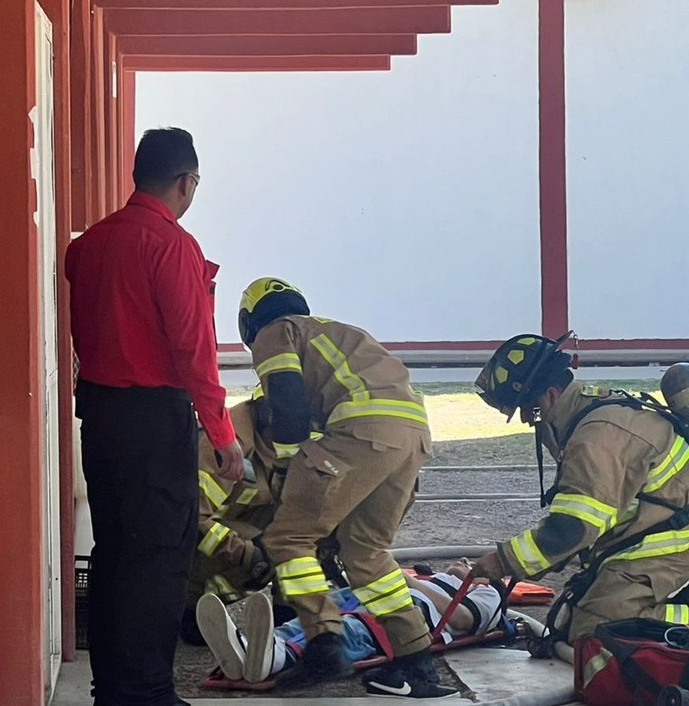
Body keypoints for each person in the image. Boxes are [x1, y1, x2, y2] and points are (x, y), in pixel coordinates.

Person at [66, 127, 242, 706]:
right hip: (153, 419)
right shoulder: (172, 246)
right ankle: (146, 693)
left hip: (101, 415)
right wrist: (223, 435)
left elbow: (82, 333)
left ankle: (113, 688)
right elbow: (195, 349)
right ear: (186, 182)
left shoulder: (88, 245)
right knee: (159, 556)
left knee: (114, 551)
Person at [237, 277, 454, 699]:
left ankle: (324, 644)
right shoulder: (337, 331)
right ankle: (415, 663)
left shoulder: (274, 333)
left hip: (361, 431)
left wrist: (287, 464)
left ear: (248, 322)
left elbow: (286, 403)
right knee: (364, 551)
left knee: (288, 537)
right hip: (412, 438)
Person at [468, 333, 689, 644]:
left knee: (595, 629)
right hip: (640, 533)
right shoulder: (585, 411)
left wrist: (503, 563)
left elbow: (572, 528)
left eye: (530, 409)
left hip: (669, 543)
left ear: (551, 395)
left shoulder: (595, 440)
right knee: (568, 618)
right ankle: (680, 605)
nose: (527, 420)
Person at [197, 559, 504, 685]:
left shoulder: (489, 595)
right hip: (384, 594)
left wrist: (410, 584)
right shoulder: (434, 577)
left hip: (409, 611)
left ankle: (276, 657)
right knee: (323, 611)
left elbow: (464, 619)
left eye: (468, 564)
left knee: (355, 629)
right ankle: (255, 646)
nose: (464, 562)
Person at [180, 390, 281, 646]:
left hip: (220, 534)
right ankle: (188, 607)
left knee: (289, 541)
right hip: (183, 546)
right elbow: (189, 518)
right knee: (266, 552)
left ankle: (287, 626)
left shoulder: (272, 441)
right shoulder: (222, 445)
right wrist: (245, 552)